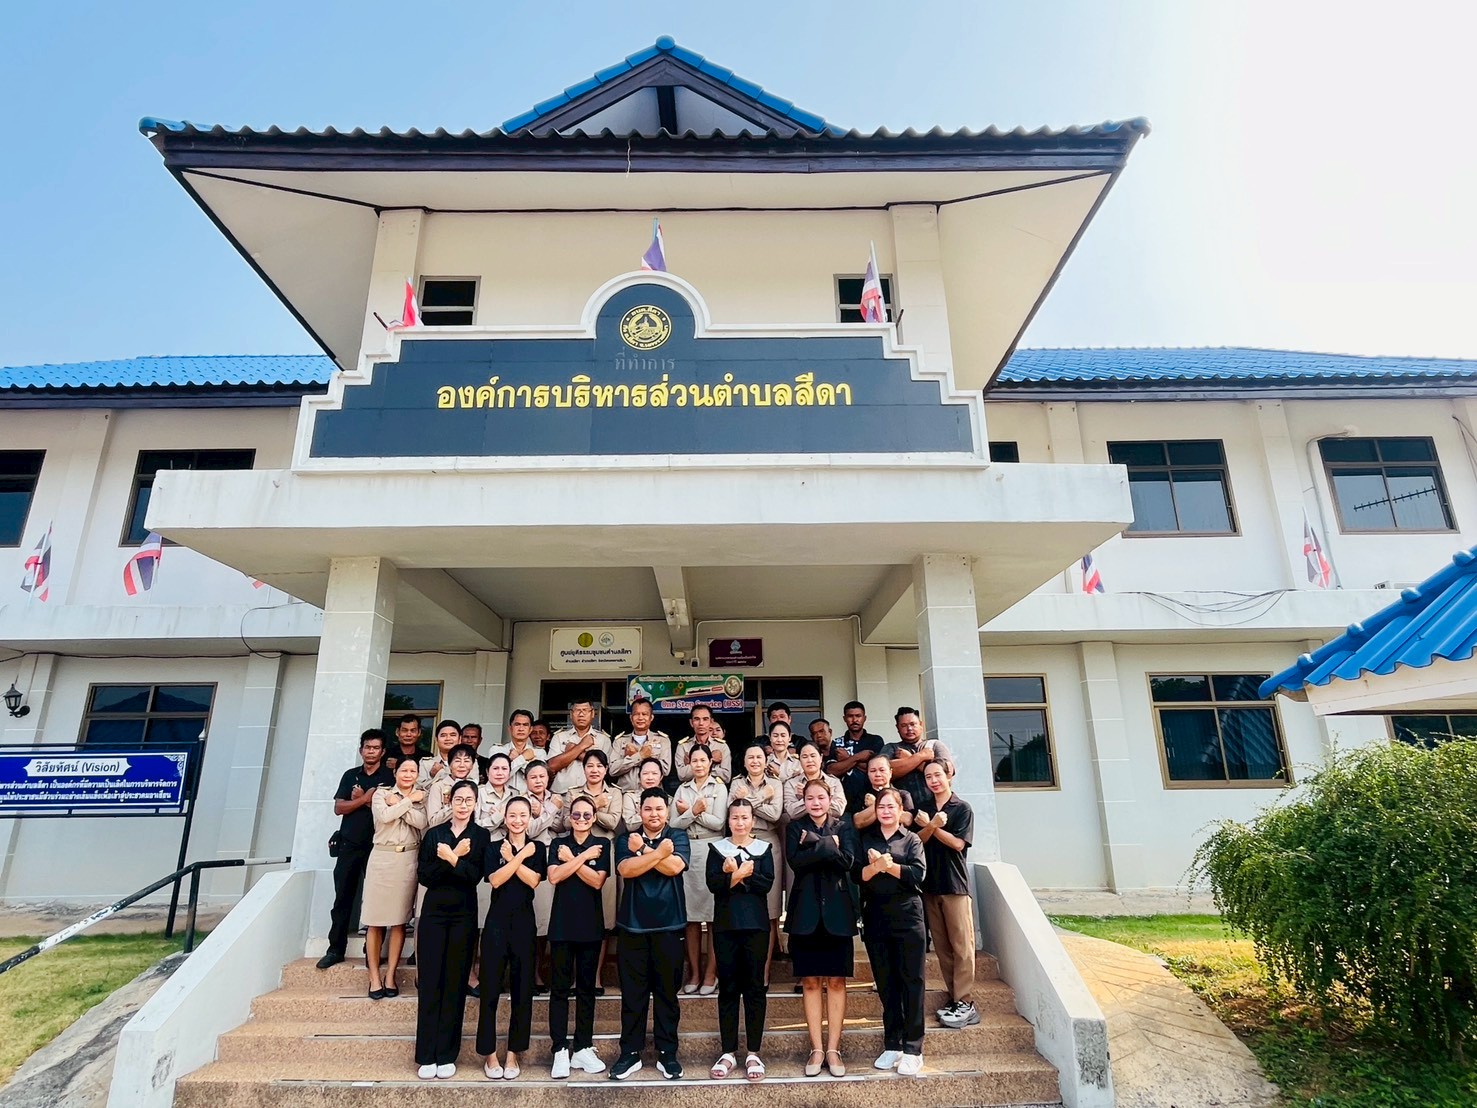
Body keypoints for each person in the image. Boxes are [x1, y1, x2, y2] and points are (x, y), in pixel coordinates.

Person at [611, 788, 690, 1081]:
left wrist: (644, 851)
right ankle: (630, 1053)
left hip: (670, 926)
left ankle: (667, 1053)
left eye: (659, 809)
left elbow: (674, 868)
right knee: (633, 995)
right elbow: (626, 870)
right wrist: (657, 853)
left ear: (667, 811)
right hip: (633, 926)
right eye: (648, 809)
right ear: (640, 811)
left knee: (667, 994)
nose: (654, 814)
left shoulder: (677, 836)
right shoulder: (626, 838)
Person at [414, 779, 488, 1079]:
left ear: (475, 803)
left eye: (469, 800)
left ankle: (446, 1054)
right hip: (433, 913)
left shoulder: (480, 836)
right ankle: (426, 1054)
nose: (463, 805)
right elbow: (425, 876)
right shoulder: (435, 834)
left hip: (463, 914)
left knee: (456, 982)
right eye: (458, 799)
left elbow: (473, 876)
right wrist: (452, 857)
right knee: (430, 981)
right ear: (449, 801)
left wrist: (452, 857)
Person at [785, 778, 856, 1078]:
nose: (816, 803)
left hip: (838, 912)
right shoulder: (794, 828)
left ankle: (833, 1049)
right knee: (811, 982)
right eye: (810, 798)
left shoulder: (844, 826)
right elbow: (796, 862)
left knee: (837, 981)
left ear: (830, 800)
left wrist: (814, 843)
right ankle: (816, 1048)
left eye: (821, 798)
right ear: (804, 801)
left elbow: (847, 861)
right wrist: (828, 846)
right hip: (805, 913)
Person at [854, 787, 928, 1076]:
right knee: (886, 982)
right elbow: (857, 875)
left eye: (891, 807)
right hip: (876, 916)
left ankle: (913, 1048)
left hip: (908, 916)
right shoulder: (867, 839)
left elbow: (917, 875)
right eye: (881, 807)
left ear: (900, 811)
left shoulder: (911, 840)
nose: (885, 811)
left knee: (912, 981)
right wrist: (875, 867)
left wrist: (889, 866)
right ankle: (892, 1044)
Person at [705, 797, 775, 1082]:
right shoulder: (717, 849)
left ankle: (754, 1052)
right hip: (726, 926)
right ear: (728, 820)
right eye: (735, 817)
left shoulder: (764, 849)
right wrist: (737, 876)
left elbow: (765, 884)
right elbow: (713, 885)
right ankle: (728, 1052)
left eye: (745, 817)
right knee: (728, 989)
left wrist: (737, 876)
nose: (740, 822)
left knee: (755, 988)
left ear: (753, 821)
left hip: (756, 925)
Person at [478, 796, 546, 1080]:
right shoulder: (493, 847)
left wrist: (513, 858)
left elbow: (533, 880)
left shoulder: (537, 848)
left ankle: (513, 1054)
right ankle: (489, 1054)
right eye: (513, 815)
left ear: (530, 818)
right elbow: (495, 880)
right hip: (496, 923)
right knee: (490, 989)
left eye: (523, 815)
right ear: (505, 819)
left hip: (524, 924)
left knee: (522, 990)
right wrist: (516, 857)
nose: (518, 820)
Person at [546, 795, 612, 1079]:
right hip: (562, 924)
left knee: (586, 989)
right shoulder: (558, 844)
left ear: (594, 818)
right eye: (576, 815)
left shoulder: (603, 844)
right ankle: (560, 1048)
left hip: (590, 925)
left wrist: (573, 860)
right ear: (569, 817)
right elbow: (554, 877)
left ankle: (583, 1046)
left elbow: (597, 881)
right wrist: (584, 858)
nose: (582, 819)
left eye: (587, 815)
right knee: (560, 989)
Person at [320, 729, 394, 970]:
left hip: (378, 846)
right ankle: (335, 949)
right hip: (349, 844)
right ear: (361, 750)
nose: (371, 752)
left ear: (383, 751)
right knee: (342, 897)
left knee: (377, 900)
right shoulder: (350, 775)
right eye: (367, 747)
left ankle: (373, 951)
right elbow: (339, 808)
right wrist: (364, 799)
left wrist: (364, 801)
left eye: (376, 748)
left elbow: (389, 810)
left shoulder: (390, 777)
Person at [916, 758, 978, 1029]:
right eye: (928, 777)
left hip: (954, 885)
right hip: (929, 885)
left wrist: (934, 826)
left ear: (949, 775)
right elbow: (917, 841)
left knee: (962, 946)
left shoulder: (961, 808)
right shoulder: (924, 808)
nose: (933, 781)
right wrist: (930, 825)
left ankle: (965, 1001)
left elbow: (957, 844)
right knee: (942, 948)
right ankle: (954, 999)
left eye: (937, 775)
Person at [363, 756, 427, 998]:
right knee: (375, 920)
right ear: (395, 773)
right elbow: (384, 817)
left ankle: (390, 975)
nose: (408, 775)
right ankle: (374, 977)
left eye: (413, 771)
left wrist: (400, 804)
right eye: (404, 770)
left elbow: (422, 822)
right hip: (382, 857)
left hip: (408, 859)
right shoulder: (381, 793)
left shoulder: (422, 796)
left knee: (399, 920)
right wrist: (408, 801)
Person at [560, 749, 623, 991]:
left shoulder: (615, 793)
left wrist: (588, 810)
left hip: (603, 853)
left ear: (606, 769)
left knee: (603, 917)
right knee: (575, 913)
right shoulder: (573, 792)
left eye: (599, 766)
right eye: (590, 765)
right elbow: (565, 822)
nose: (594, 770)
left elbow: (613, 822)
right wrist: (596, 806)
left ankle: (594, 977)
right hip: (573, 853)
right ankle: (575, 977)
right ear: (583, 769)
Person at [670, 743, 728, 994]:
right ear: (689, 763)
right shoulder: (682, 789)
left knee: (713, 916)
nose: (699, 765)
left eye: (703, 760)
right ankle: (694, 972)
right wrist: (694, 812)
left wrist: (693, 814)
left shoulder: (719, 787)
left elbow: (719, 823)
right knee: (691, 918)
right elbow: (673, 824)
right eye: (694, 760)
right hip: (688, 850)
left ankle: (711, 973)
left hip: (712, 849)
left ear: (710, 762)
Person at [726, 742, 784, 980]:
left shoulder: (775, 784)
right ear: (744, 761)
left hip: (767, 842)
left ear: (766, 760)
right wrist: (761, 798)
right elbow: (732, 812)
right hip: (739, 841)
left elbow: (775, 814)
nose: (755, 761)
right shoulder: (736, 783)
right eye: (750, 757)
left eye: (759, 757)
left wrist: (747, 801)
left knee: (770, 910)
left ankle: (764, 972)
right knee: (741, 903)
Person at [522, 760, 562, 990]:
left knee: (545, 919)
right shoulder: (520, 800)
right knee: (530, 917)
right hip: (528, 856)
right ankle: (528, 972)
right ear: (526, 779)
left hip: (551, 855)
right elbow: (530, 829)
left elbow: (562, 826)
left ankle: (539, 970)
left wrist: (544, 813)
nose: (538, 781)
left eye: (542, 776)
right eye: (533, 777)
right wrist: (549, 811)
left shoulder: (556, 798)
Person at [885, 707, 953, 810]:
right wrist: (920, 757)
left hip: (938, 806)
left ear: (921, 724)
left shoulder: (935, 745)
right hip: (903, 809)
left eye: (913, 724)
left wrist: (909, 759)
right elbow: (886, 772)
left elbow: (948, 772)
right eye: (904, 725)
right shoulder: (891, 748)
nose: (909, 729)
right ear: (897, 728)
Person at [830, 701, 887, 811]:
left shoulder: (875, 741)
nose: (854, 720)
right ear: (844, 718)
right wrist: (858, 757)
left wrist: (847, 759)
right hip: (845, 803)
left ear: (864, 718)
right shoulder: (837, 743)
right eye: (850, 716)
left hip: (872, 800)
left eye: (858, 716)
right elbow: (832, 770)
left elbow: (875, 769)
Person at [609, 697, 673, 793]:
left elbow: (665, 770)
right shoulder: (620, 741)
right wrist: (641, 755)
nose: (640, 718)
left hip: (653, 795)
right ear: (631, 717)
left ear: (651, 717)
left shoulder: (662, 740)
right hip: (625, 794)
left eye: (644, 714)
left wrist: (632, 758)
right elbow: (612, 770)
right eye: (636, 714)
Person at [547, 700, 610, 795]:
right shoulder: (559, 737)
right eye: (577, 710)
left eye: (585, 710)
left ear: (592, 713)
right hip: (562, 793)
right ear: (571, 714)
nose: (581, 714)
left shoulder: (603, 739)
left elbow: (604, 768)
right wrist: (581, 746)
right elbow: (552, 766)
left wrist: (572, 752)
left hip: (591, 794)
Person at [783, 740, 846, 823]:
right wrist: (819, 799)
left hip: (829, 827)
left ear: (821, 758)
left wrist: (808, 796)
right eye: (804, 757)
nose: (809, 760)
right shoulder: (791, 783)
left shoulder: (833, 782)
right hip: (801, 827)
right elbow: (792, 812)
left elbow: (839, 810)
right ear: (799, 760)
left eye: (813, 756)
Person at [851, 752, 917, 829]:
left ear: (890, 772)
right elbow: (857, 822)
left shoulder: (903, 795)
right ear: (867, 774)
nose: (877, 774)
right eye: (873, 771)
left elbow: (907, 820)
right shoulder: (863, 795)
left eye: (882, 770)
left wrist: (875, 804)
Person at [675, 704, 731, 785]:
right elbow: (682, 775)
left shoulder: (721, 746)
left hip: (715, 790)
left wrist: (693, 764)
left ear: (711, 722)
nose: (701, 723)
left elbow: (726, 776)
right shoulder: (683, 746)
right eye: (697, 719)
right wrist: (711, 761)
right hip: (691, 790)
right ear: (691, 722)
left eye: (705, 719)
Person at [426, 744, 480, 827]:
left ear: (472, 765)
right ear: (449, 764)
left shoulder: (475, 788)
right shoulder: (438, 787)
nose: (462, 765)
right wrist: (455, 803)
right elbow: (433, 822)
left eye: (466, 761)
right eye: (457, 761)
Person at [495, 709, 540, 791]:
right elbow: (498, 776)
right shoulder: (498, 750)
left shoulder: (539, 753)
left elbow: (537, 778)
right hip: (503, 797)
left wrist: (517, 759)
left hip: (529, 797)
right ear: (510, 728)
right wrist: (523, 758)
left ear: (530, 729)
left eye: (525, 725)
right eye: (517, 724)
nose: (521, 728)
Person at [621, 757, 669, 830]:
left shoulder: (668, 799)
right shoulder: (630, 796)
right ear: (639, 776)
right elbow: (629, 825)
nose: (650, 778)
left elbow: (670, 824)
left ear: (661, 777)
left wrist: (642, 813)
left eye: (654, 773)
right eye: (645, 773)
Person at [475, 752, 516, 836]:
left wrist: (504, 819)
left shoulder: (514, 795)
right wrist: (499, 816)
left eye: (504, 769)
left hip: (508, 842)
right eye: (495, 768)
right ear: (487, 771)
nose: (500, 773)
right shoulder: (478, 793)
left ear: (509, 772)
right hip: (486, 842)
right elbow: (475, 827)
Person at [420, 719, 467, 789]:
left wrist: (439, 774)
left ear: (460, 739)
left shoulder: (469, 762)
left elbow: (472, 787)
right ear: (436, 740)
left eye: (452, 735)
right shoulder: (426, 763)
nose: (448, 738)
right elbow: (420, 789)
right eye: (443, 735)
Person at [765, 720, 802, 788]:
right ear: (770, 738)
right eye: (775, 736)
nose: (779, 740)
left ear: (789, 737)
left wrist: (779, 775)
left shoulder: (798, 763)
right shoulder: (765, 762)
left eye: (783, 736)